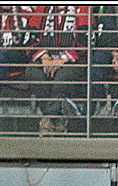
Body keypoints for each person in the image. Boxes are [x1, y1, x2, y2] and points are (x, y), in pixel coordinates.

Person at [25, 5, 90, 135]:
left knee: (62, 78)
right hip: (45, 59)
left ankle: (48, 119)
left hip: (71, 60)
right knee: (32, 72)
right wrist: (44, 57)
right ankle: (58, 119)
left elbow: (86, 40)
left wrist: (64, 58)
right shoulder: (42, 8)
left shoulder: (82, 8)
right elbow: (30, 38)